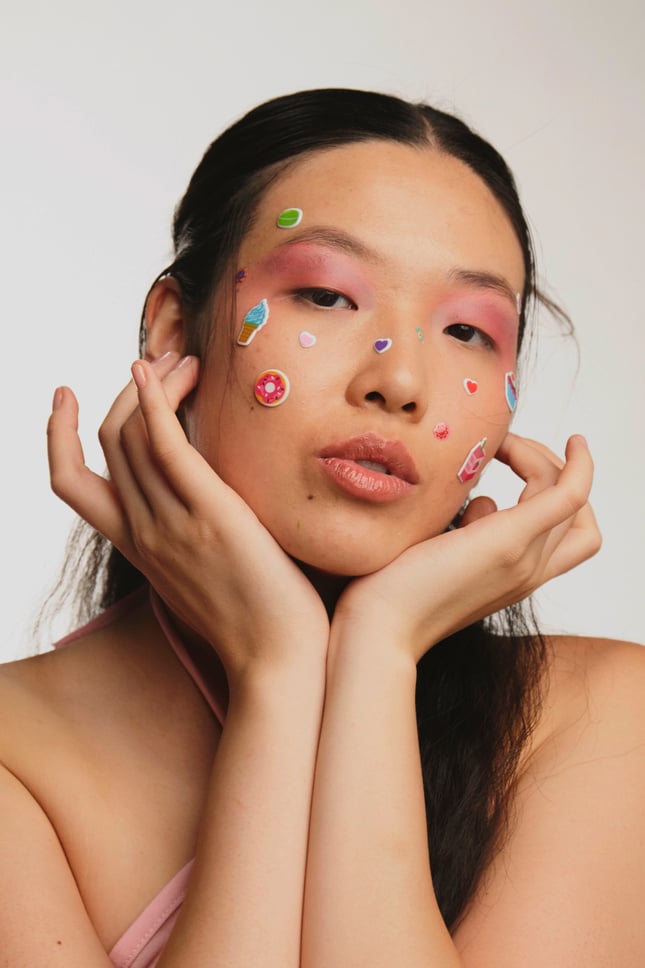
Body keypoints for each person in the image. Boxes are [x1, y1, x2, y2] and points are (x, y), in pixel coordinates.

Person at [1, 88, 643, 968]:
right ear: (172, 332)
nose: (402, 380)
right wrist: (278, 668)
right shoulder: (15, 764)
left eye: (466, 329)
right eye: (327, 297)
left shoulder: (594, 725)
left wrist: (376, 650)